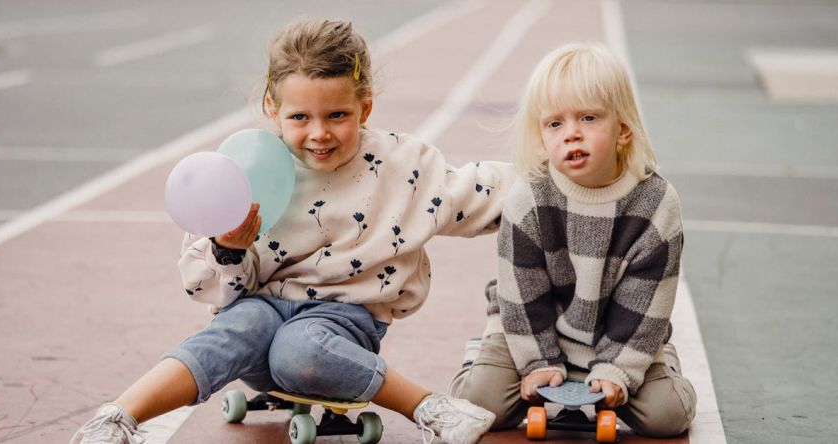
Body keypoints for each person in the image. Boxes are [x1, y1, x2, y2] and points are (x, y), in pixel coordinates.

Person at [70, 18, 514, 444]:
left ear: (366, 106)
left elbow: (478, 190)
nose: (319, 133)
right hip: (262, 317)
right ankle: (117, 418)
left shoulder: (403, 167)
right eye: (300, 118)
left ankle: (431, 409)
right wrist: (228, 249)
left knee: (298, 347)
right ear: (272, 108)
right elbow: (208, 286)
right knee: (236, 327)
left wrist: (566, 174)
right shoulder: (246, 170)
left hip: (343, 322)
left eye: (337, 115)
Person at [449, 43, 696, 438]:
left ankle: (661, 359)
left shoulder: (656, 204)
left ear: (623, 129)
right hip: (529, 324)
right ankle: (480, 358)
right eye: (555, 124)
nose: (572, 134)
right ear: (541, 134)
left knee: (669, 417)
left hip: (620, 330)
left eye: (588, 117)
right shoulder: (528, 197)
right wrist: (537, 363)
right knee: (481, 404)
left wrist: (618, 370)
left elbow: (648, 300)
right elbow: (521, 292)